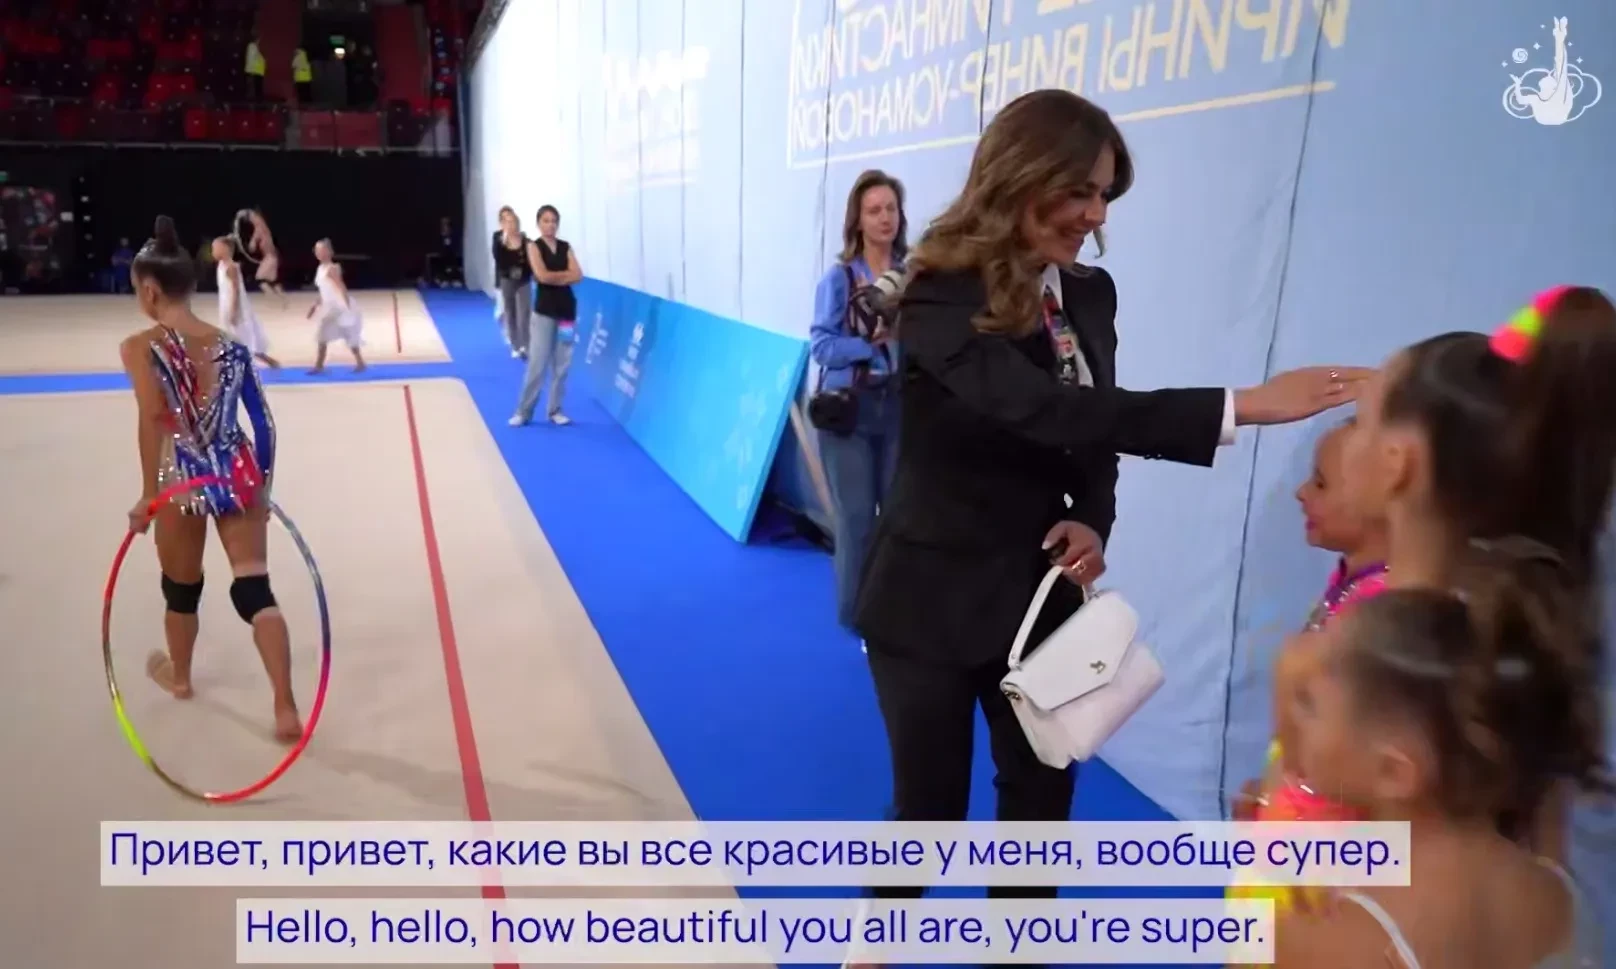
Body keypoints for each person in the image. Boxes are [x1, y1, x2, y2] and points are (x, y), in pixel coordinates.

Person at [846, 88, 1366, 942]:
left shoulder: (1090, 294)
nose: (1095, 215)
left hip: (1039, 589)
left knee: (1040, 803)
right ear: (1020, 178)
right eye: (1080, 191)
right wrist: (1242, 405)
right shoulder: (939, 292)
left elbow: (1094, 423)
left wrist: (1094, 516)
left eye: (1104, 195)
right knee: (929, 811)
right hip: (926, 596)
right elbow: (1042, 408)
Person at [1330, 284, 1616, 859]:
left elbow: (1388, 866)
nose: (1344, 439)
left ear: (1398, 464)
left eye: (1359, 422)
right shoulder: (1510, 625)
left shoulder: (1400, 653)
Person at [1271, 546, 1606, 968]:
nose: (1294, 722)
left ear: (1393, 771)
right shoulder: (1561, 896)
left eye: (1311, 705)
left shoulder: (1327, 941)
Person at [118, 216, 302, 743]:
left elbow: (152, 419)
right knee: (254, 590)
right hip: (238, 474)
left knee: (181, 590)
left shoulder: (140, 347)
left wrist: (149, 495)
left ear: (150, 291)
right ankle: (285, 705)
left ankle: (180, 678)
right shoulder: (232, 346)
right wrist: (262, 487)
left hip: (181, 477)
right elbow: (264, 424)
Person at [809, 170, 907, 639]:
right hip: (849, 411)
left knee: (896, 518)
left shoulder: (912, 274)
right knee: (855, 520)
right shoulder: (839, 278)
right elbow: (821, 346)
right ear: (858, 220)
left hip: (898, 407)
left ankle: (891, 612)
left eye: (891, 208)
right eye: (874, 210)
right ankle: (856, 621)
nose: (884, 218)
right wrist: (868, 346)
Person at [510, 205, 581, 427]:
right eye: (546, 221)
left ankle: (555, 410)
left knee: (562, 364)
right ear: (539, 223)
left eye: (553, 221)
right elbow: (541, 275)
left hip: (567, 312)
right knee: (537, 363)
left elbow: (578, 274)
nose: (550, 225)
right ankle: (524, 411)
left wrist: (555, 277)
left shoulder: (565, 247)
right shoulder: (534, 246)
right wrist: (564, 276)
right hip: (544, 312)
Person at [213, 236, 280, 370]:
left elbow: (236, 291)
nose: (213, 251)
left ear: (225, 249)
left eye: (215, 248)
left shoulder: (231, 267)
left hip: (237, 307)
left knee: (243, 338)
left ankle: (256, 364)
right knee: (235, 338)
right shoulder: (222, 265)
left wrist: (233, 310)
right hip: (227, 305)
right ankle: (268, 362)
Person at [306, 238, 366, 375]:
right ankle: (320, 365)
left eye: (321, 250)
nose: (317, 253)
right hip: (329, 307)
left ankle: (320, 366)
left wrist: (348, 306)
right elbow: (324, 290)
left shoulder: (332, 269)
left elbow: (341, 286)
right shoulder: (320, 269)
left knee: (344, 334)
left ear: (328, 252)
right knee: (325, 335)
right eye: (316, 250)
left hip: (338, 307)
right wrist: (315, 305)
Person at [491, 206, 531, 358]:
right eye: (507, 222)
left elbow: (530, 260)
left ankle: (525, 344)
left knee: (524, 313)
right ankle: (515, 345)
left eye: (513, 221)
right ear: (502, 224)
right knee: (510, 311)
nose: (510, 224)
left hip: (524, 280)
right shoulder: (499, 240)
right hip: (507, 280)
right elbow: (498, 259)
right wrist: (505, 240)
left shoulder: (525, 240)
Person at [235, 208, 285, 309]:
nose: (251, 219)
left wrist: (244, 213)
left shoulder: (261, 228)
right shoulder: (262, 230)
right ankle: (284, 300)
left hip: (270, 258)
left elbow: (257, 222)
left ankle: (273, 301)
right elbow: (253, 245)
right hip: (272, 258)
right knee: (272, 282)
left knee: (260, 280)